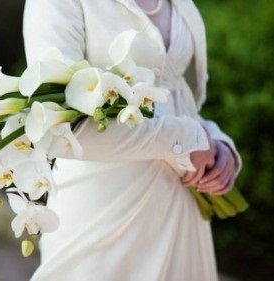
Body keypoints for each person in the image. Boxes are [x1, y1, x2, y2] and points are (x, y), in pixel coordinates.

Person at [22, 0, 241, 280]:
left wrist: (214, 139)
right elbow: (61, 126)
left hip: (180, 194)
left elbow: (175, 90)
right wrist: (188, 138)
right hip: (104, 205)